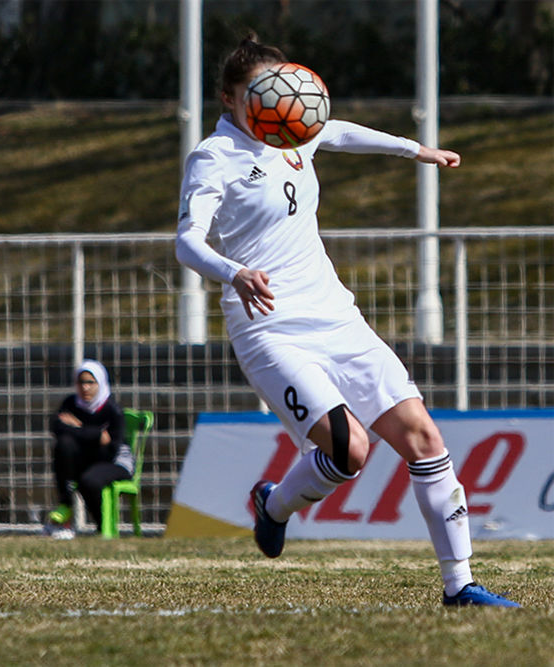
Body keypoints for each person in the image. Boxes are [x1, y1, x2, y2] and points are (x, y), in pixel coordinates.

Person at [175, 37, 519, 607]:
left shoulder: (294, 131)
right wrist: (233, 272)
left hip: (337, 316)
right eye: (259, 95)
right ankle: (274, 505)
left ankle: (461, 585)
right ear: (228, 98)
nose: (279, 105)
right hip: (269, 327)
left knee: (423, 437)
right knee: (349, 452)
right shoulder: (216, 156)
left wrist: (416, 151)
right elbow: (188, 241)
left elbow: (338, 131)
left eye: (283, 90)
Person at [45, 359, 133, 537]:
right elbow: (57, 426)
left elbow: (112, 448)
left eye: (90, 382)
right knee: (64, 445)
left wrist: (77, 429)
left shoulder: (112, 410)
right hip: (88, 458)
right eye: (81, 382)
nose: (85, 388)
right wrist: (95, 435)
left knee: (90, 480)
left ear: (100, 383)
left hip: (114, 462)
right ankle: (65, 505)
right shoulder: (71, 403)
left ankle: (104, 527)